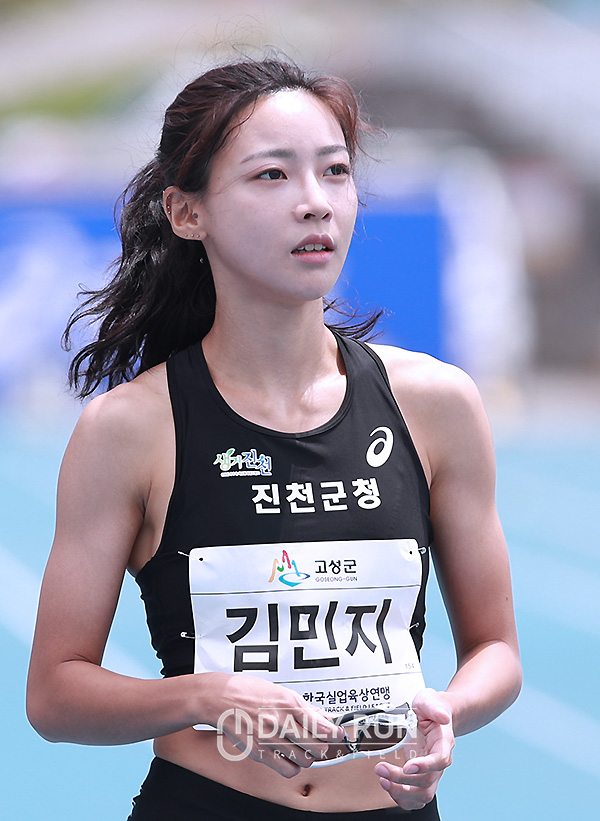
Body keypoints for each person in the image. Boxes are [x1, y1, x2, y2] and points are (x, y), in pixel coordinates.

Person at [26, 57, 521, 820]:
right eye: (271, 175)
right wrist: (207, 696)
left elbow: (498, 651)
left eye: (335, 171)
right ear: (186, 213)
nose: (314, 202)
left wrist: (449, 708)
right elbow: (55, 694)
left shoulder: (436, 403)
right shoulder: (130, 428)